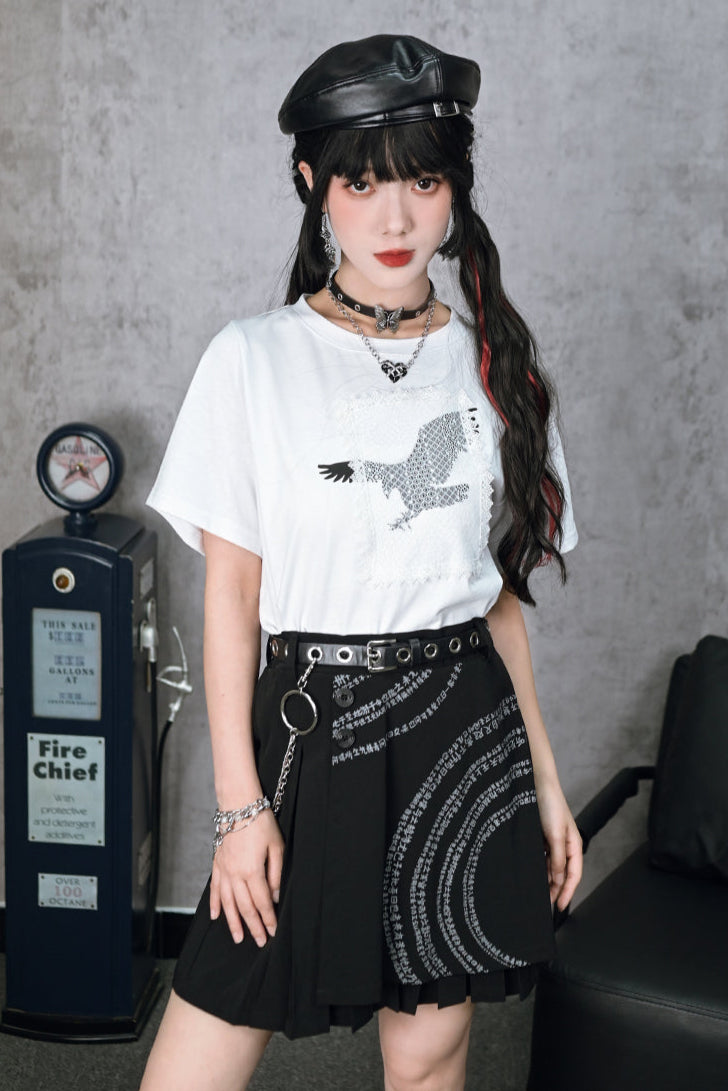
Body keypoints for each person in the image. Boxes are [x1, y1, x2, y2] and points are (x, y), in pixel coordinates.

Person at [140, 34, 583, 1091]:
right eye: (362, 183)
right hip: (309, 729)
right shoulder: (252, 358)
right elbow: (230, 595)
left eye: (421, 183)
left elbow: (496, 602)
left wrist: (546, 779)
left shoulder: (496, 367)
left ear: (454, 190)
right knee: (197, 1059)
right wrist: (239, 807)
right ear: (312, 183)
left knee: (427, 1059)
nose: (394, 220)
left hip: (460, 726)